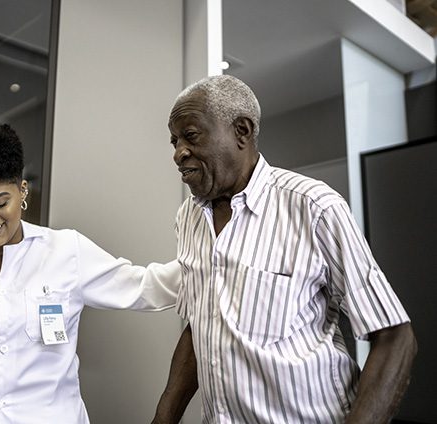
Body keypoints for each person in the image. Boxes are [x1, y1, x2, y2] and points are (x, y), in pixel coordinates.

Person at [151, 75, 417, 423]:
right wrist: (164, 417)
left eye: (191, 136)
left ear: (242, 132)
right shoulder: (188, 217)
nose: (178, 153)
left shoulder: (314, 206)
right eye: (174, 141)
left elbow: (395, 336)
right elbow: (201, 324)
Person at [0, 120, 180, 424]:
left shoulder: (66, 251)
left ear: (22, 190)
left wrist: (217, 263)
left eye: (0, 202)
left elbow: (145, 287)